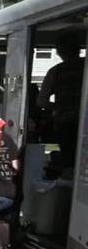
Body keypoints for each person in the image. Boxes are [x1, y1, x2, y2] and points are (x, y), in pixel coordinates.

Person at [38, 32, 85, 170]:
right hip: (84, 121)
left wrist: (60, 107)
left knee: (68, 161)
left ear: (59, 52)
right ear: (78, 48)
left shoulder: (56, 72)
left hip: (66, 123)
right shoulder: (85, 67)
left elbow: (41, 101)